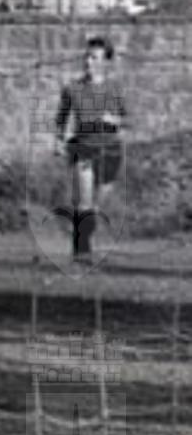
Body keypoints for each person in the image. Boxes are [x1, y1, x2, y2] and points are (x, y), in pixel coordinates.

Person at [56, 34, 128, 264]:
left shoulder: (115, 89)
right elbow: (61, 118)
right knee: (84, 200)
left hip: (111, 150)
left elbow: (128, 120)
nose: (89, 62)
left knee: (97, 204)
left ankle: (82, 232)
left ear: (106, 61)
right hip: (83, 146)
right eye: (87, 56)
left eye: (95, 57)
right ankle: (82, 251)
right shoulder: (72, 88)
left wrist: (113, 120)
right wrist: (59, 140)